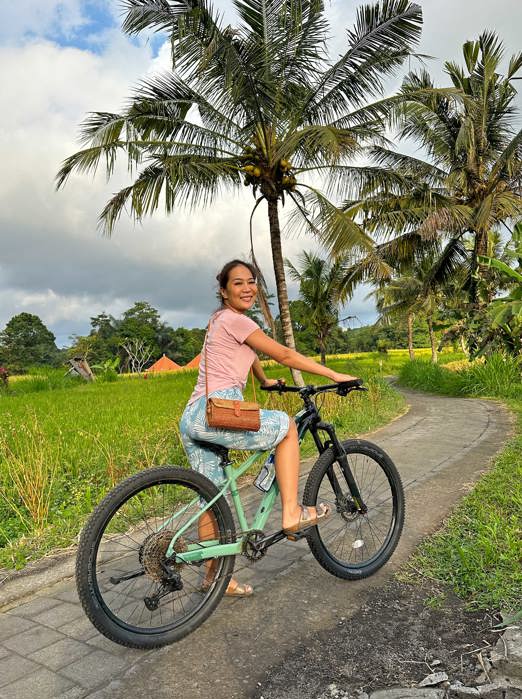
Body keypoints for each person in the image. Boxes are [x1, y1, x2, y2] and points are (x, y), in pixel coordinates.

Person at [179, 259, 360, 596]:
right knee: (287, 426)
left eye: (252, 282)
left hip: (194, 416)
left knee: (211, 498)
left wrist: (263, 381)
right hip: (220, 411)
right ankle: (292, 512)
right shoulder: (236, 320)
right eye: (238, 283)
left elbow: (246, 354)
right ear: (223, 290)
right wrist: (335, 375)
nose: (247, 288)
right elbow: (285, 355)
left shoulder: (220, 321)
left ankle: (213, 578)